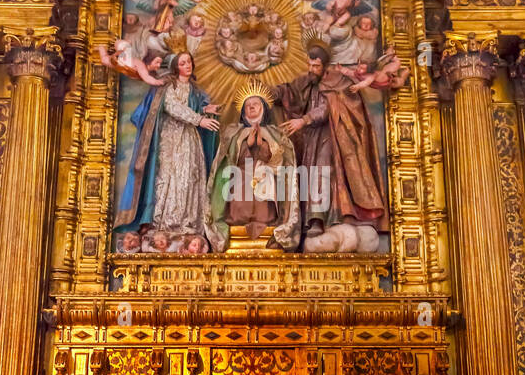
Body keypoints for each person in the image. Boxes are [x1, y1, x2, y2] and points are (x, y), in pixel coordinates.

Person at [271, 37, 388, 245]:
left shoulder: (338, 81)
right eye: (309, 64)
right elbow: (290, 91)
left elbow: (328, 107)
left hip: (333, 138)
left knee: (323, 173)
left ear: (325, 65)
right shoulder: (308, 80)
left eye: (315, 65)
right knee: (309, 174)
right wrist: (269, 93)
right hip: (311, 138)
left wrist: (304, 119)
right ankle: (311, 219)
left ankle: (323, 218)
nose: (311, 68)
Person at [114, 50, 219, 245]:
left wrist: (205, 110)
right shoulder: (167, 86)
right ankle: (164, 224)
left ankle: (188, 224)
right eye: (182, 63)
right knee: (168, 177)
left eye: (189, 62)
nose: (187, 65)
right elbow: (172, 107)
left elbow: (191, 106)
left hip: (189, 138)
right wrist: (199, 119)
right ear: (175, 67)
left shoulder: (196, 91)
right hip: (170, 138)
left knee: (189, 176)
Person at [206, 92, 301, 251]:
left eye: (255, 104)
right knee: (240, 180)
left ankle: (269, 220)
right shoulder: (232, 132)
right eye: (247, 105)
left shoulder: (275, 133)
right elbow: (227, 158)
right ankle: (236, 220)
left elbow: (280, 160)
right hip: (240, 174)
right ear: (243, 112)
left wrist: (263, 144)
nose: (251, 107)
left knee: (265, 183)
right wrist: (246, 143)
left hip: (266, 176)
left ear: (263, 108)